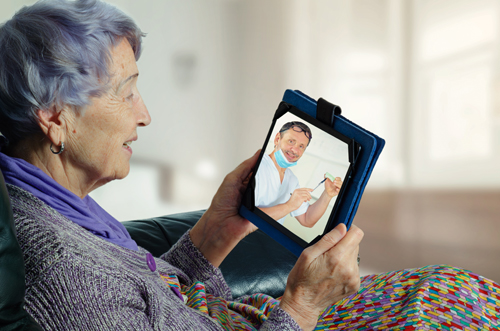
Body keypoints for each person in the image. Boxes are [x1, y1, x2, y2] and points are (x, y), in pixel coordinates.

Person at [0, 1, 498, 330]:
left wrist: (215, 233)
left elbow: (151, 302)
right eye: (126, 93)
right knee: (443, 306)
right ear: (55, 117)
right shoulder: (67, 277)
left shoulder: (58, 207)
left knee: (441, 286)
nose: (145, 114)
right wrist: (301, 306)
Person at [255, 121, 343, 226]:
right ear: (277, 139)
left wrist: (328, 195)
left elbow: (307, 220)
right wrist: (289, 206)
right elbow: (246, 216)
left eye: (301, 146)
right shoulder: (257, 165)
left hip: (268, 240)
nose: (295, 150)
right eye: (291, 141)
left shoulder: (292, 179)